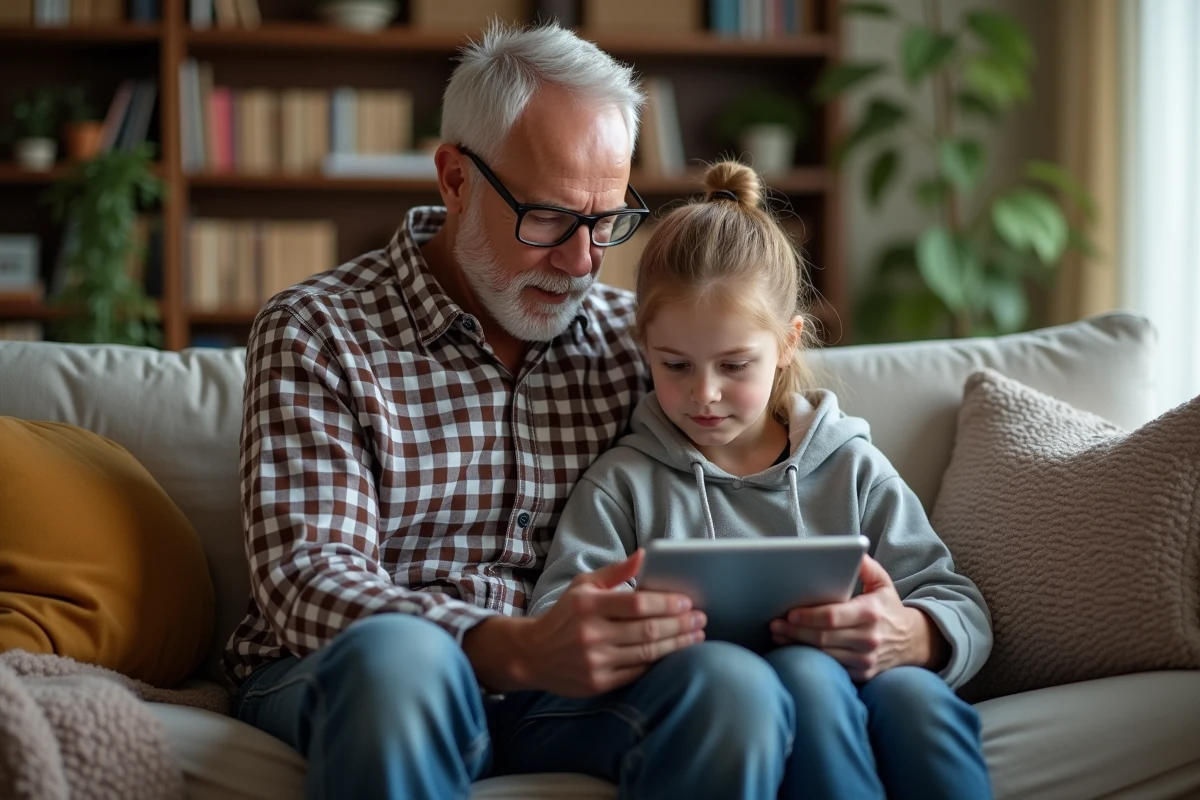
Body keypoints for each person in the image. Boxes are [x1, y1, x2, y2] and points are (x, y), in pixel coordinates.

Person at [224, 22, 797, 800]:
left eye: (605, 222)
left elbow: (775, 441)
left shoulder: (641, 346)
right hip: (360, 674)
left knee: (734, 688)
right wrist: (515, 646)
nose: (582, 262)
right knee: (401, 661)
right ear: (455, 180)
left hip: (563, 697)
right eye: (550, 218)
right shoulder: (318, 330)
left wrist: (912, 620)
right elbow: (307, 579)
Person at [529, 160, 996, 800]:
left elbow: (954, 599)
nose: (705, 393)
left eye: (734, 365)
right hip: (725, 700)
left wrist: (911, 635)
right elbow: (559, 617)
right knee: (808, 677)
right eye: (676, 365)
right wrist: (631, 628)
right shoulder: (624, 484)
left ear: (787, 344)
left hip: (865, 680)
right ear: (644, 348)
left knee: (918, 702)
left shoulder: (851, 466)